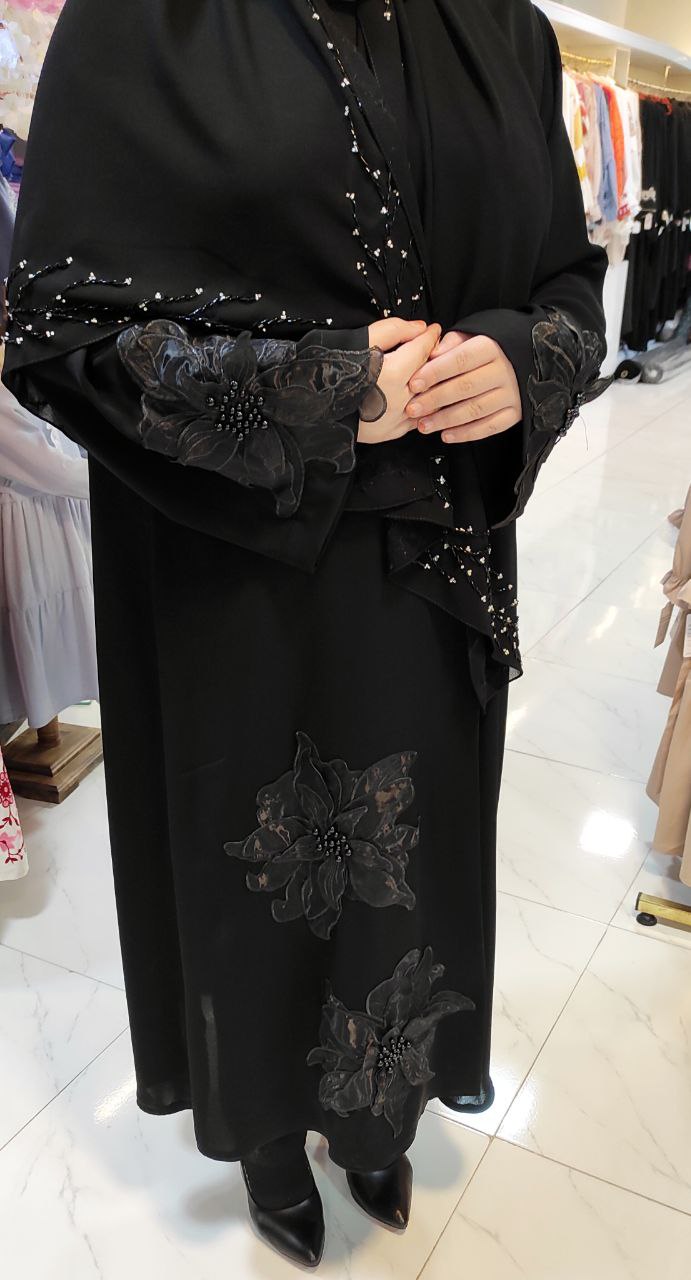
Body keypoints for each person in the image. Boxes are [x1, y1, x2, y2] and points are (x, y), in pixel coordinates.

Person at [2, 0, 609, 1267]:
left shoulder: (501, 30)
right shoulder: (143, 25)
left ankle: (380, 1114)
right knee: (254, 878)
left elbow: (568, 279)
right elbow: (56, 332)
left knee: (418, 862)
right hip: (235, 583)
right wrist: (325, 391)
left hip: (433, 574)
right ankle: (270, 1138)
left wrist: (521, 360)